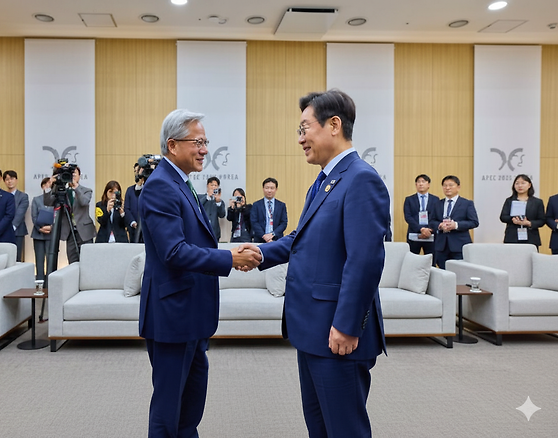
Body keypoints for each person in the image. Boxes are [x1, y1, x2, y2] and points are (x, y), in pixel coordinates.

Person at [239, 89, 389, 438]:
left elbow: (365, 261)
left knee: (344, 430)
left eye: (304, 128)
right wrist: (262, 253)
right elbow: (300, 238)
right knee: (319, 427)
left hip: (338, 333)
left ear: (334, 125)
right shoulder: (322, 183)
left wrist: (347, 326)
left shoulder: (361, 179)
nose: (300, 138)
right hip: (311, 329)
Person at [139, 109, 261, 438]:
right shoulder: (160, 186)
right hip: (173, 317)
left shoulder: (180, 183)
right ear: (173, 145)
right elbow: (174, 252)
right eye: (198, 142)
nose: (205, 149)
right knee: (168, 412)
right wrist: (228, 258)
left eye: (206, 142)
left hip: (191, 314)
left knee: (189, 410)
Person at [44, 165, 96, 263]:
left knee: (87, 261)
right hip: (70, 232)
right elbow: (48, 202)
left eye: (74, 174)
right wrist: (50, 185)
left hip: (84, 232)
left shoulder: (86, 190)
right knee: (72, 261)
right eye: (71, 174)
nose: (72, 176)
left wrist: (76, 187)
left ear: (79, 176)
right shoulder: (63, 191)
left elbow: (84, 202)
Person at [429, 175, 479, 269]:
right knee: (443, 272)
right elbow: (431, 221)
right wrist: (440, 225)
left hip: (459, 245)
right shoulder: (437, 204)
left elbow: (474, 222)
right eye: (445, 185)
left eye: (451, 185)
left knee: (460, 272)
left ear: (458, 187)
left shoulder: (467, 203)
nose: (447, 188)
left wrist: (455, 225)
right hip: (441, 246)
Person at [499, 174, 545, 248]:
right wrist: (513, 219)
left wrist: (528, 223)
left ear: (529, 185)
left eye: (523, 183)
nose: (520, 186)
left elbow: (542, 220)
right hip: (512, 237)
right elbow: (503, 217)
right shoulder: (509, 201)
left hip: (531, 238)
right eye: (517, 183)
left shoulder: (537, 202)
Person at [403, 174, 439, 254]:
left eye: (423, 181)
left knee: (431, 258)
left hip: (430, 234)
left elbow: (437, 216)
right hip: (414, 233)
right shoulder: (409, 199)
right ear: (416, 185)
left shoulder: (435, 199)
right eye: (418, 182)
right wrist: (421, 229)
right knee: (412, 258)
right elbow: (408, 217)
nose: (421, 184)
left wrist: (428, 230)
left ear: (428, 185)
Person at [3, 170, 30, 261]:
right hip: (2, 231)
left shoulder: (23, 196)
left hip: (17, 231)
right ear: (4, 181)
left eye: (12, 178)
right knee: (4, 258)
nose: (9, 181)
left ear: (16, 180)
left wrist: (11, 228)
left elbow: (20, 214)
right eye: (7, 179)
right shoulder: (2, 196)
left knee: (16, 258)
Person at [251, 177, 288, 243]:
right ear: (263, 189)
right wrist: (264, 236)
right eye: (267, 188)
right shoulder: (256, 205)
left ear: (276, 189)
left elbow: (283, 223)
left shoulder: (281, 205)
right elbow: (254, 222)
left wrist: (272, 234)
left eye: (272, 188)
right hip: (260, 240)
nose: (269, 191)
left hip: (276, 239)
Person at [31, 177, 53, 287]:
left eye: (50, 184)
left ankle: (50, 284)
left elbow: (59, 216)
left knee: (51, 260)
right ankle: (40, 285)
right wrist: (40, 228)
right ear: (42, 186)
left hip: (51, 234)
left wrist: (52, 227)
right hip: (38, 234)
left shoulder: (56, 201)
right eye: (45, 184)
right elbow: (34, 216)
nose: (47, 186)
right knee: (39, 261)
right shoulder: (36, 199)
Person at [198, 176, 226, 242]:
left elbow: (222, 215)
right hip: (202, 231)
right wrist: (208, 196)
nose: (213, 187)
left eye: (215, 185)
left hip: (215, 233)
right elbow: (197, 207)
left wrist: (218, 202)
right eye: (212, 185)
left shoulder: (220, 201)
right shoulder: (200, 197)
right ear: (207, 186)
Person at [124, 162, 144, 243]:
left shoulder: (148, 189)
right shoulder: (130, 190)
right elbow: (126, 208)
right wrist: (132, 222)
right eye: (135, 171)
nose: (137, 173)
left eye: (138, 171)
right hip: (133, 228)